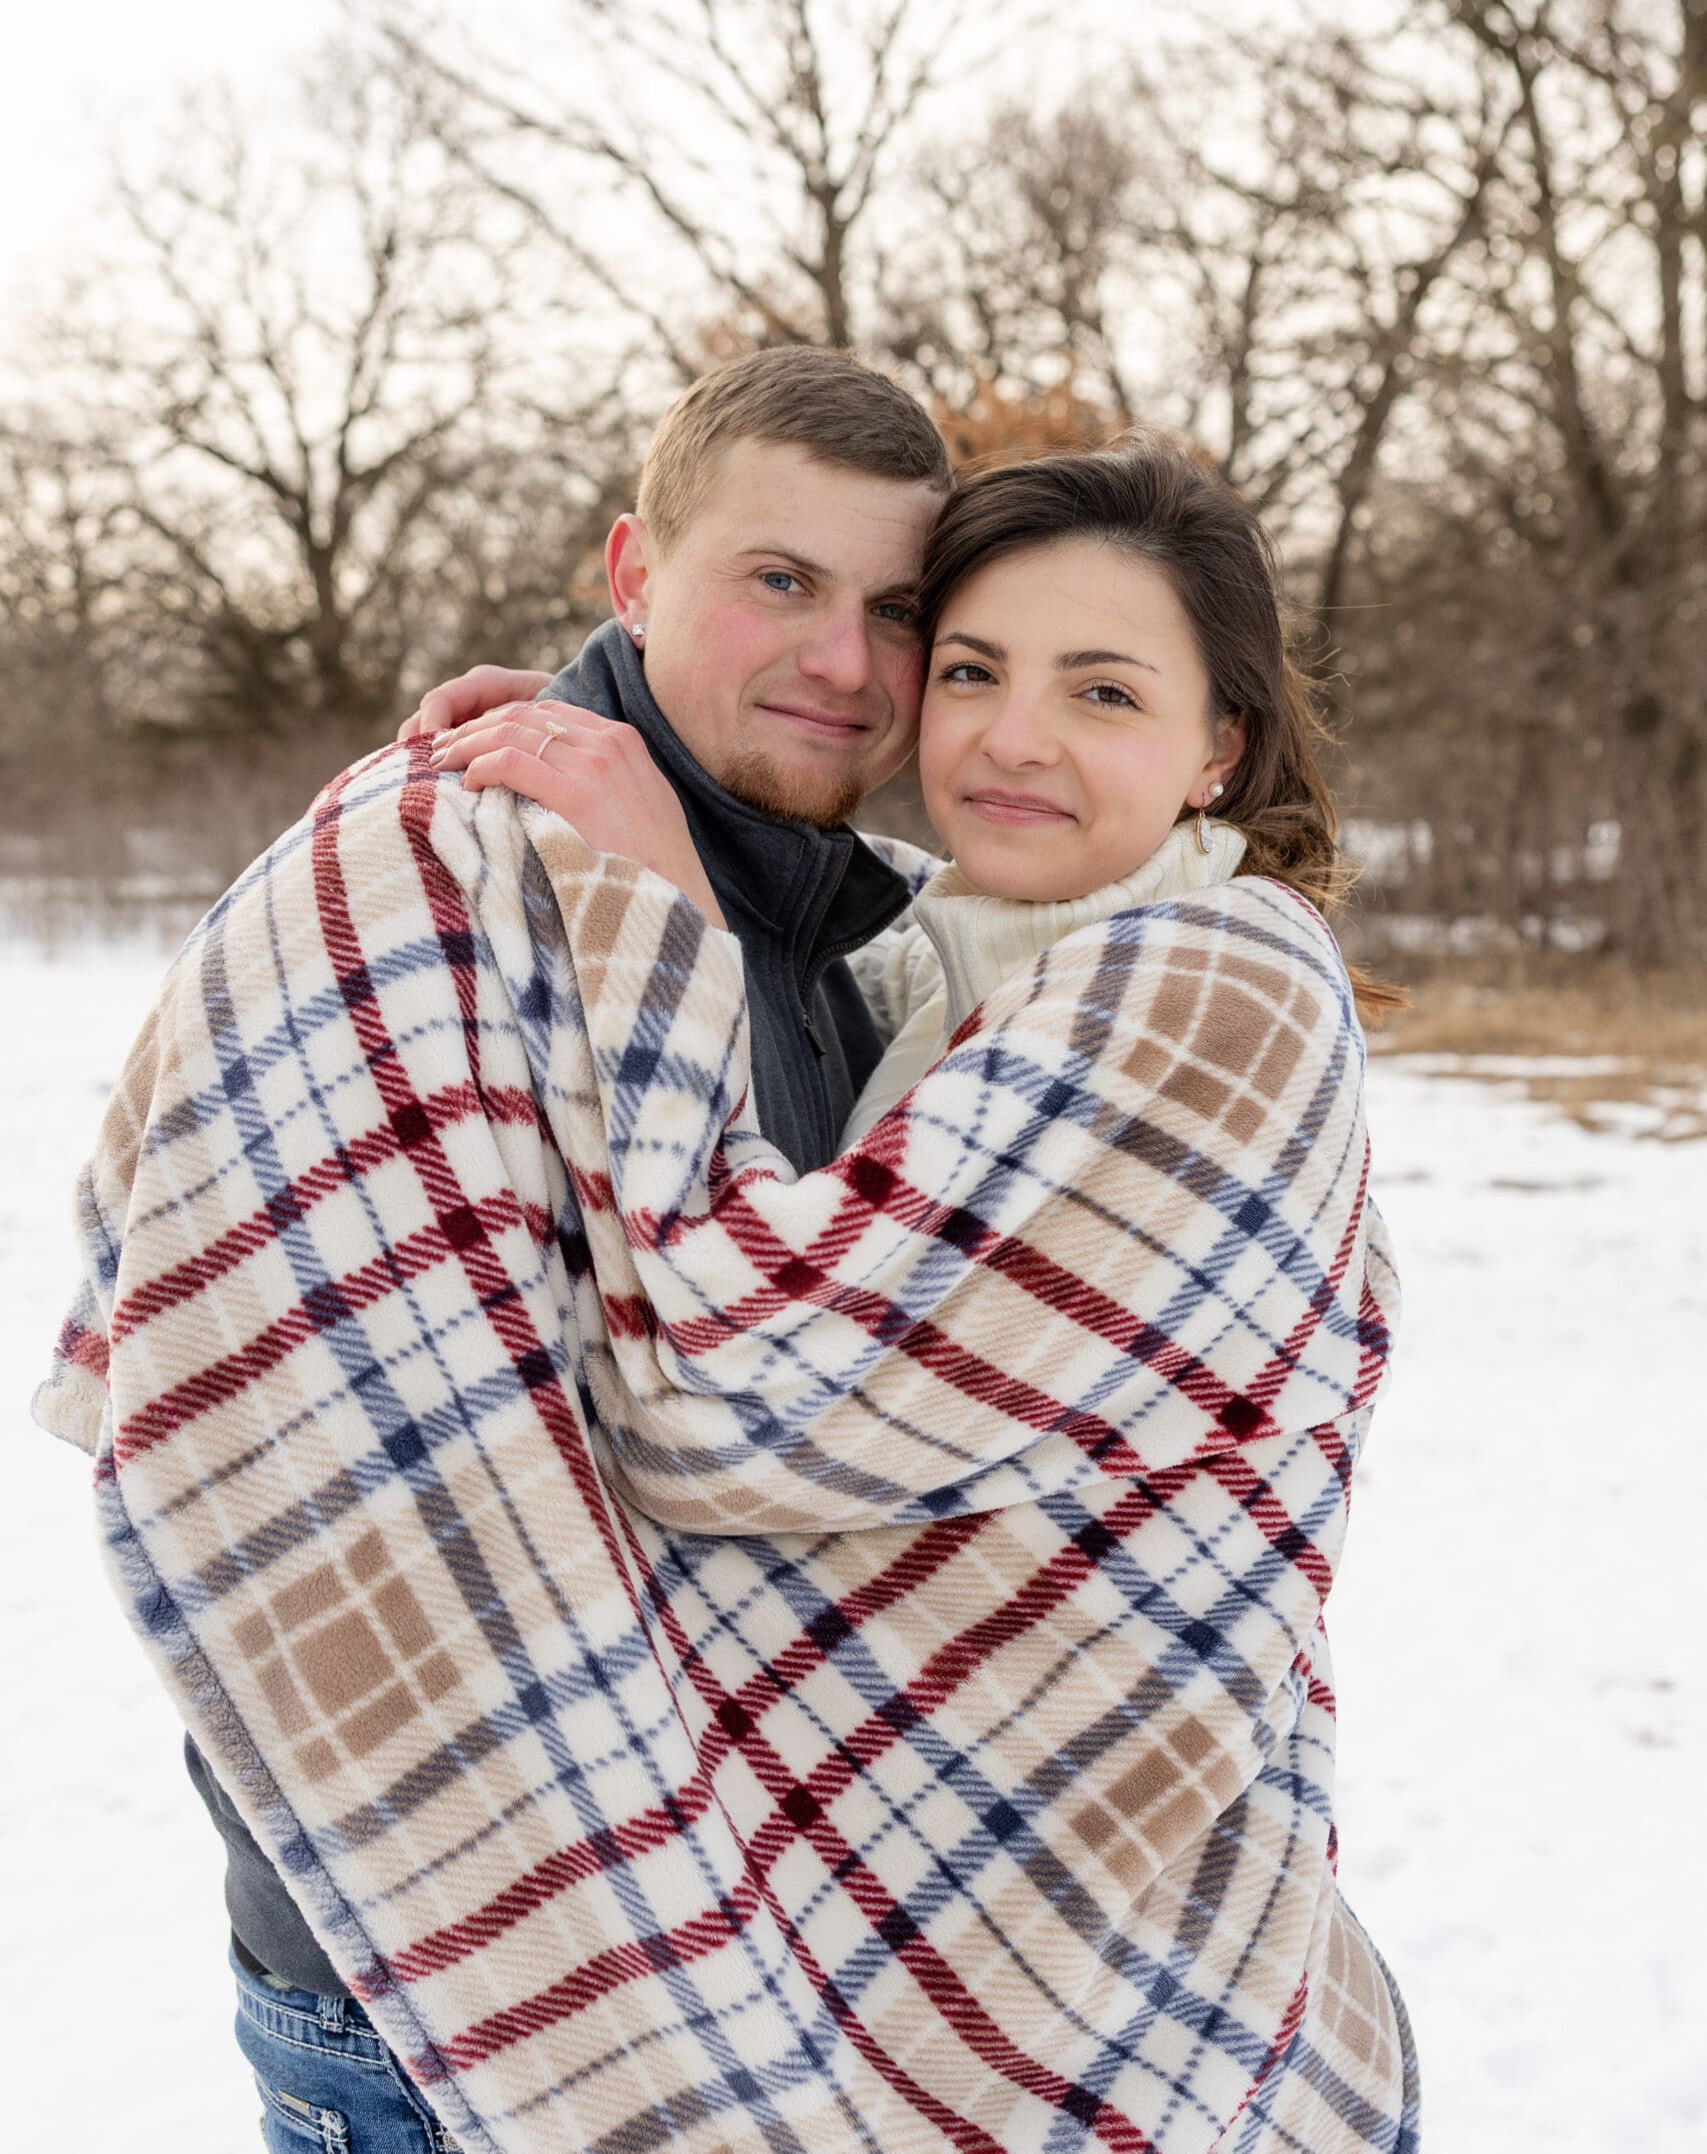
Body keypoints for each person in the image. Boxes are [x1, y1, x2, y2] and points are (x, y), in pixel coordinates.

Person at [389, 440, 1423, 2150]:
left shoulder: (1209, 996)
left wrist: (645, 884)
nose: (1015, 740)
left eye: (1102, 690)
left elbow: (738, 1392)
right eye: (971, 673)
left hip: (1105, 1983)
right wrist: (625, 726)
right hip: (982, 1940)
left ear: (1216, 748)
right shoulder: (957, 974)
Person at [37, 344, 953, 2154]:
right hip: (436, 2003)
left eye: (900, 608)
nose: (846, 661)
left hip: (750, 1970)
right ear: (632, 572)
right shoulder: (434, 874)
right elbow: (316, 1464)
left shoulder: (827, 916)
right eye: (781, 580)